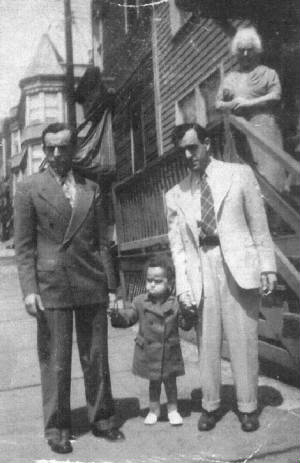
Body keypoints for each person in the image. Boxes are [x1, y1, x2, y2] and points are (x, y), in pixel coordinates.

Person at [14, 123, 124, 454]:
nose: (56, 154)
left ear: (73, 150)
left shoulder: (91, 187)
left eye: (63, 147)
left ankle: (102, 417)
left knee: (96, 355)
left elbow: (104, 242)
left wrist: (112, 286)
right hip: (52, 284)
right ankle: (58, 427)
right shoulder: (28, 188)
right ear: (44, 151)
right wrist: (29, 289)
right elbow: (24, 248)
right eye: (50, 148)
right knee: (56, 361)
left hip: (90, 279)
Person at [166, 123, 277, 432]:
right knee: (207, 341)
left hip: (239, 265)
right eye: (183, 151)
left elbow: (259, 225)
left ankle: (248, 406)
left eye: (193, 147)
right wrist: (184, 287)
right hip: (202, 266)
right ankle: (210, 405)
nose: (188, 155)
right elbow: (179, 249)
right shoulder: (176, 195)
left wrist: (267, 265)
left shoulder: (239, 174)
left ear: (207, 144)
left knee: (243, 338)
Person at [109, 256, 194, 426]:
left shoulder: (175, 303)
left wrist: (188, 313)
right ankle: (154, 410)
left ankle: (173, 409)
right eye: (149, 281)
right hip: (149, 352)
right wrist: (117, 315)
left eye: (157, 281)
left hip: (169, 352)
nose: (152, 285)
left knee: (170, 383)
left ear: (169, 283)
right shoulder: (140, 301)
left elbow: (184, 325)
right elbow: (130, 317)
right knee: (154, 383)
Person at [216, 26, 288, 192]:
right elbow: (218, 104)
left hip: (265, 128)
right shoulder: (231, 78)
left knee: (272, 175)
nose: (246, 54)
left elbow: (275, 95)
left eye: (250, 50)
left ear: (256, 51)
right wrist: (232, 103)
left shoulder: (267, 73)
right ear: (236, 53)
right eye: (241, 50)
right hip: (241, 134)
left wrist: (249, 103)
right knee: (248, 182)